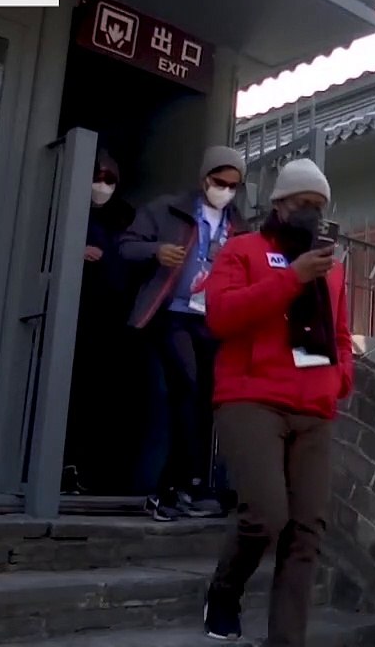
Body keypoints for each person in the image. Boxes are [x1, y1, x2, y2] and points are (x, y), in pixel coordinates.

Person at [199, 157, 353, 643]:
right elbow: (220, 317)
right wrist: (292, 277)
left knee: (307, 531)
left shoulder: (333, 271)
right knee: (267, 514)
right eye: (303, 204)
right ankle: (225, 590)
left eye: (319, 207)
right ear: (280, 206)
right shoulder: (241, 251)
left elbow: (342, 335)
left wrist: (338, 380)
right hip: (251, 398)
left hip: (313, 407)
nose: (311, 213)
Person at [119, 145, 248, 521]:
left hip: (212, 319)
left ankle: (191, 485)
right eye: (219, 182)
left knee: (207, 398)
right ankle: (167, 488)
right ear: (204, 178)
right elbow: (126, 246)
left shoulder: (238, 225)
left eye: (232, 185)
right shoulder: (166, 209)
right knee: (185, 389)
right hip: (172, 313)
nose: (224, 190)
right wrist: (157, 251)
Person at [63, 148, 136, 495]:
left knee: (103, 400)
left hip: (111, 323)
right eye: (98, 177)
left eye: (110, 179)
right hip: (70, 318)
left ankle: (93, 473)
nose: (102, 185)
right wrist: (73, 250)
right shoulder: (64, 210)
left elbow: (131, 262)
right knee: (67, 393)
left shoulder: (125, 218)